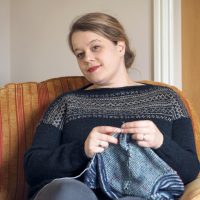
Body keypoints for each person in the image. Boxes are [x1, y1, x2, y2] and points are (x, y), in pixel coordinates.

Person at [24, 12, 199, 200]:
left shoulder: (167, 99)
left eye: (96, 47)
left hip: (140, 195)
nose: (87, 58)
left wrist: (161, 143)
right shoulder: (65, 103)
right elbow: (33, 168)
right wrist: (81, 150)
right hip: (73, 193)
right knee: (67, 191)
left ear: (120, 46)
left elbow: (191, 170)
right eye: (80, 54)